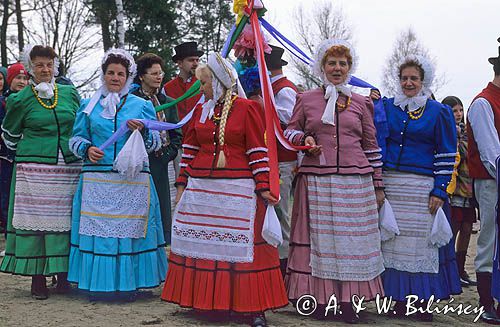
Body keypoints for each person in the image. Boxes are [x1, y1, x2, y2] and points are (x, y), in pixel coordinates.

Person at [161, 52, 288, 327]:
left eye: (205, 83)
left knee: (247, 247)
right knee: (206, 243)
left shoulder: (248, 109)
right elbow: (191, 150)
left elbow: (257, 150)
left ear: (218, 82)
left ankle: (252, 307)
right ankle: (211, 303)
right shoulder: (200, 110)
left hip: (239, 188)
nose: (201, 88)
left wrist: (265, 187)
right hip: (202, 189)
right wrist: (182, 184)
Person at [284, 39, 385, 324]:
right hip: (317, 180)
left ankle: (350, 302)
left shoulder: (362, 102)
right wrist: (305, 140)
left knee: (351, 243)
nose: (337, 68)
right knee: (320, 243)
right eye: (332, 63)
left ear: (350, 68)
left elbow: (371, 145)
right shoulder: (306, 99)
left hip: (355, 182)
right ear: (322, 67)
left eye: (342, 63)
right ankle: (318, 299)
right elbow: (289, 132)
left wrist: (378, 184)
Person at [67, 48, 167, 300]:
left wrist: (143, 131)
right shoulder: (88, 105)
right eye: (110, 73)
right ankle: (100, 285)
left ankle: (129, 285)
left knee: (129, 232)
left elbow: (157, 142)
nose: (115, 77)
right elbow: (75, 138)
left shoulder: (141, 105)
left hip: (131, 181)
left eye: (120, 74)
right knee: (100, 233)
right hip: (97, 180)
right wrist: (87, 149)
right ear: (103, 75)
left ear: (128, 77)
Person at [374, 55, 460, 321]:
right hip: (393, 186)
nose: (408, 83)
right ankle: (393, 300)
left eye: (414, 78)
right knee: (391, 244)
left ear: (423, 82)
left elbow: (447, 153)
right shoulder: (388, 107)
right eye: (404, 78)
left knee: (421, 247)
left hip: (422, 189)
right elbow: (379, 141)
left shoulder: (438, 112)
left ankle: (420, 302)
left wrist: (440, 190)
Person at [0, 45, 82, 300]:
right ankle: (38, 278)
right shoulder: (19, 98)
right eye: (39, 65)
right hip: (34, 169)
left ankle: (63, 276)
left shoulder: (69, 94)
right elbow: (10, 134)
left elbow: (80, 124)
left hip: (68, 166)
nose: (45, 69)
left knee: (65, 222)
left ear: (55, 66)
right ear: (30, 67)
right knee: (37, 223)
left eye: (49, 64)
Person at [132, 53, 182, 245]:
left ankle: (162, 244)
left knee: (162, 204)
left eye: (160, 73)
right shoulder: (132, 100)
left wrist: (169, 155)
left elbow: (177, 133)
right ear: (142, 76)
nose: (159, 77)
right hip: (141, 162)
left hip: (163, 163)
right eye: (153, 73)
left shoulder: (168, 101)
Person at [469, 37, 500, 324]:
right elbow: (492, 155)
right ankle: (487, 301)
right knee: (490, 240)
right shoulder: (483, 103)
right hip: (493, 182)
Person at [264, 45, 298, 275]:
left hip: (283, 158)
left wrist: (263, 107)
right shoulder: (273, 87)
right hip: (273, 157)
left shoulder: (284, 89)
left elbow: (287, 118)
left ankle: (284, 261)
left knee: (281, 210)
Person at [442, 96, 477, 288]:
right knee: (453, 229)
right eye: (454, 111)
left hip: (470, 188)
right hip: (454, 189)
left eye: (460, 110)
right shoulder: (447, 133)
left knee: (466, 229)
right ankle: (450, 269)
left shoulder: (467, 133)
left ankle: (461, 269)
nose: (458, 114)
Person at [0, 62, 29, 235]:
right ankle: (6, 227)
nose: (22, 81)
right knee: (6, 193)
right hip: (6, 155)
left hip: (24, 154)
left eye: (25, 78)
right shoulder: (3, 102)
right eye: (18, 77)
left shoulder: (30, 100)